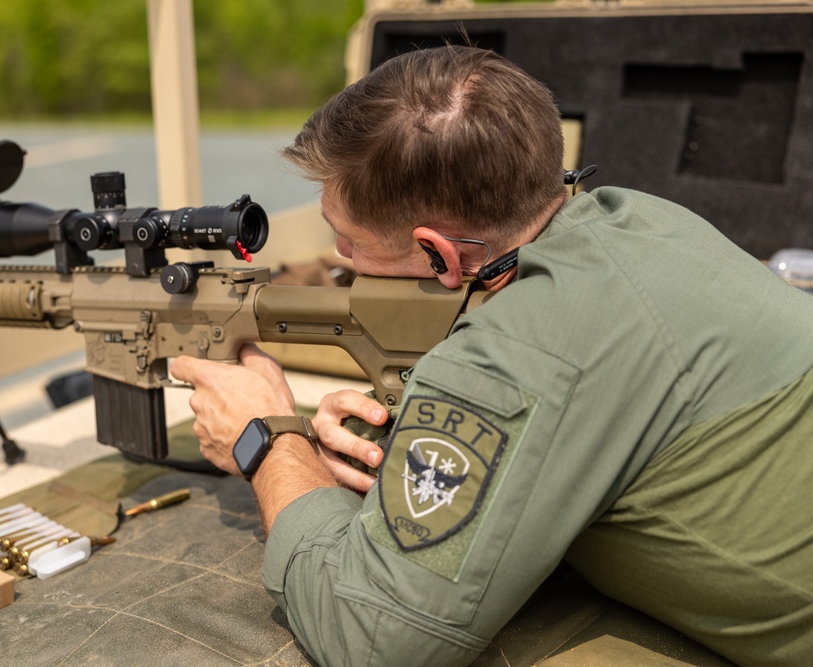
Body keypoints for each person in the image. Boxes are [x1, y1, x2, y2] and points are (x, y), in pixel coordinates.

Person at [169, 45, 813, 666]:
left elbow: (371, 637)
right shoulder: (645, 219)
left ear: (442, 256)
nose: (340, 259)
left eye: (349, 242)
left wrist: (270, 442)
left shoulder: (517, 357)